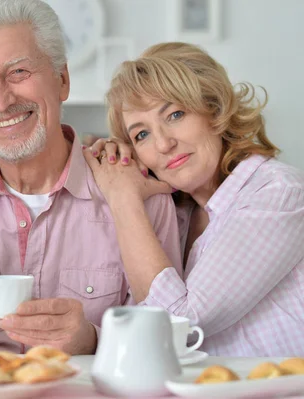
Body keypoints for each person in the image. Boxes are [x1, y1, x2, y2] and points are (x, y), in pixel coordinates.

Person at [0, 0, 183, 355]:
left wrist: (94, 340)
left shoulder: (140, 199)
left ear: (62, 80)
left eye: (18, 72)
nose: (0, 102)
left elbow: (171, 341)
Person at [85, 42, 304, 356]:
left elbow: (177, 325)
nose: (163, 143)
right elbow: (136, 326)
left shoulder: (278, 193)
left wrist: (123, 199)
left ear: (214, 109)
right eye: (141, 134)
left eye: (175, 114)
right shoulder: (177, 215)